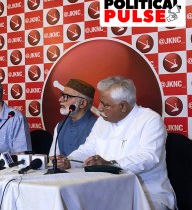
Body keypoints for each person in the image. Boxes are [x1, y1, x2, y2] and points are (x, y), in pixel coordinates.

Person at [57, 76, 175, 210]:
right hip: (106, 190)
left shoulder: (150, 120)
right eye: (100, 102)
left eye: (105, 104)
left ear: (123, 106)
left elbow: (148, 157)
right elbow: (87, 149)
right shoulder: (102, 121)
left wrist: (111, 165)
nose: (99, 108)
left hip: (147, 192)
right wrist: (69, 160)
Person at [49, 79, 97, 158]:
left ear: (82, 103)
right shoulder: (60, 125)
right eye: (62, 95)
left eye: (67, 97)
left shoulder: (98, 126)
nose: (60, 100)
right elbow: (53, 157)